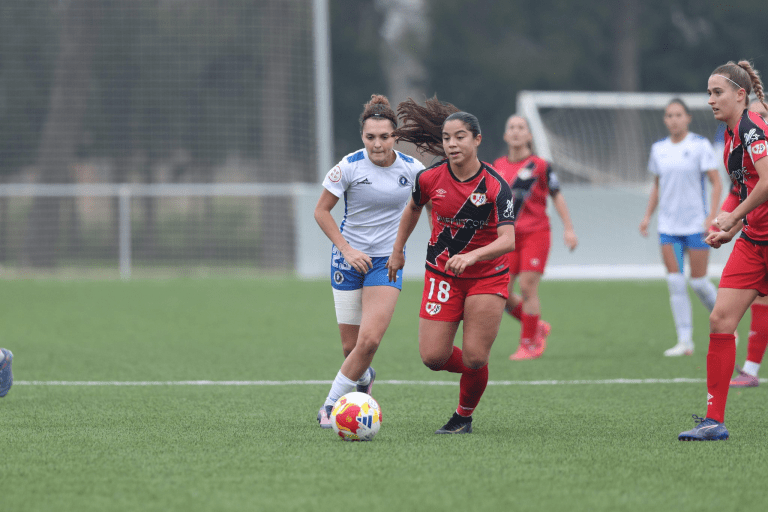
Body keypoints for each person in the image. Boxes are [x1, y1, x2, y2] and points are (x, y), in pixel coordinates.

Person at [387, 97, 515, 434]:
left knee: (474, 356)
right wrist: (398, 250)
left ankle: (462, 416)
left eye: (460, 136)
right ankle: (477, 371)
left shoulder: (495, 186)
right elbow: (414, 208)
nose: (452, 143)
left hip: (486, 276)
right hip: (441, 274)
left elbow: (508, 240)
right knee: (432, 357)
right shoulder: (430, 179)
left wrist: (472, 256)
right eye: (446, 138)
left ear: (477, 140)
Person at [314, 94, 425, 427]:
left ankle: (330, 406)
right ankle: (364, 379)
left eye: (385, 136)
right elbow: (321, 211)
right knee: (353, 351)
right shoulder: (348, 166)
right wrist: (347, 249)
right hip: (347, 262)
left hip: (386, 263)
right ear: (363, 137)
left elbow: (429, 208)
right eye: (370, 137)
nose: (378, 144)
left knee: (370, 341)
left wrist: (403, 247)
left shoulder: (413, 170)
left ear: (395, 136)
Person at [679, 60, 768, 441]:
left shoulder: (753, 129)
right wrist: (725, 222)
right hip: (754, 242)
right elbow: (742, 186)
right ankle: (714, 422)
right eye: (709, 93)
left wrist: (733, 220)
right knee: (720, 321)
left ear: (739, 95)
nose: (711, 100)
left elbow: (767, 182)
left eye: (717, 92)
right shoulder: (730, 136)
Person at [639, 99, 722, 357]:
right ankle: (685, 341)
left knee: (698, 283)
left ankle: (725, 320)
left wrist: (712, 216)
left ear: (687, 118)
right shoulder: (659, 149)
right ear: (665, 120)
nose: (673, 119)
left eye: (678, 114)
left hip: (696, 225)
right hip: (668, 227)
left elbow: (716, 183)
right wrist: (647, 216)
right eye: (669, 115)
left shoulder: (699, 146)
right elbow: (656, 185)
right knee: (675, 281)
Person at [492, 115, 578, 360]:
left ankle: (529, 345)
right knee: (502, 292)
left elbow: (557, 195)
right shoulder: (497, 166)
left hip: (536, 234)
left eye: (521, 128)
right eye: (512, 128)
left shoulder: (540, 165)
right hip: (507, 238)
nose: (516, 132)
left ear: (529, 135)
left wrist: (569, 228)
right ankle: (536, 326)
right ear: (506, 135)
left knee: (528, 287)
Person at [729, 99, 768, 388]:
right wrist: (727, 222)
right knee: (759, 300)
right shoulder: (744, 156)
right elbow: (738, 192)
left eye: (762, 116)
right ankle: (751, 370)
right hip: (756, 237)